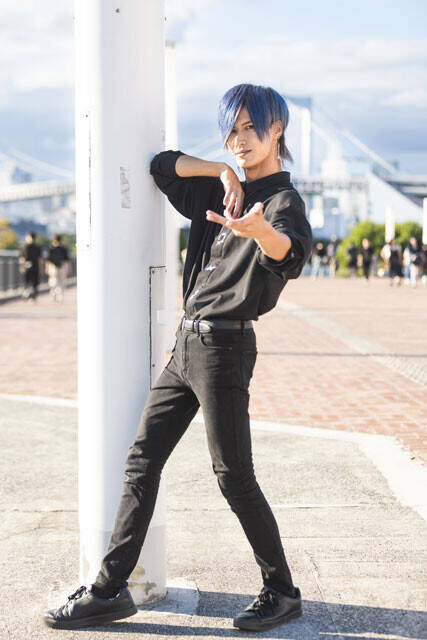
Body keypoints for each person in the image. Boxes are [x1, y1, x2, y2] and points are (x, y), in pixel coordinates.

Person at [43, 83, 312, 632]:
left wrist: (261, 231)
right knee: (142, 459)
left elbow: (290, 254)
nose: (239, 139)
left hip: (225, 348)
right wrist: (222, 171)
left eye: (250, 127)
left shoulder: (284, 203)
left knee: (233, 476)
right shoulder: (219, 189)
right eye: (231, 130)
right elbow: (162, 166)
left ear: (277, 129)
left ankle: (282, 591)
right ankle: (108, 590)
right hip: (185, 345)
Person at [45, 234, 71, 303]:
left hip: (53, 267)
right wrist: (69, 269)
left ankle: (54, 294)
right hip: (62, 266)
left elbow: (48, 260)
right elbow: (67, 260)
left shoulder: (51, 249)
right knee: (61, 282)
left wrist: (46, 269)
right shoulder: (63, 249)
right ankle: (60, 296)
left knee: (53, 281)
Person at [19, 231, 42, 301]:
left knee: (26, 281)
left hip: (27, 266)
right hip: (35, 267)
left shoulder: (24, 247)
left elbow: (22, 258)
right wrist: (40, 269)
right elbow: (40, 259)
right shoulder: (38, 247)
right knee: (34, 282)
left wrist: (22, 267)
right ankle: (32, 295)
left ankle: (26, 294)